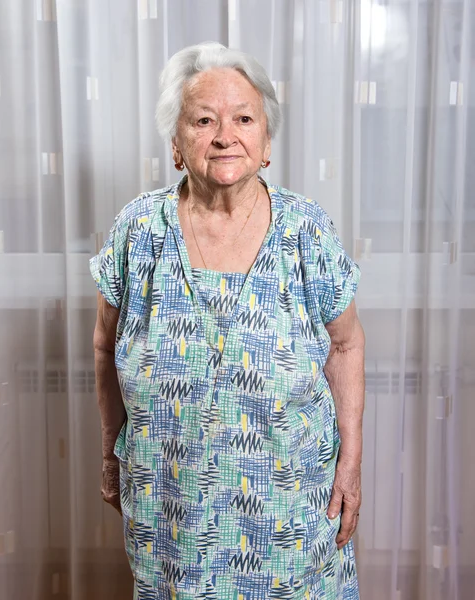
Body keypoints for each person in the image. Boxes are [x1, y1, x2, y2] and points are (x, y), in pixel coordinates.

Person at [91, 41, 365, 600]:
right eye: (203, 120)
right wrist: (108, 448)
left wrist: (352, 462)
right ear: (175, 142)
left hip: (290, 509)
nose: (224, 135)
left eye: (243, 118)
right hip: (170, 508)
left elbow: (345, 347)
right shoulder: (138, 230)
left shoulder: (306, 231)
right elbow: (104, 345)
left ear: (265, 142)